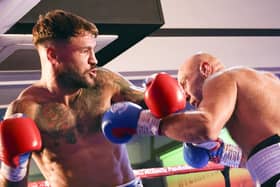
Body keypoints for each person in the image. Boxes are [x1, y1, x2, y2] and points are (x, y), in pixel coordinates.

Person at [0, 9, 147, 187]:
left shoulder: (105, 82)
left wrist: (157, 93)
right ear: (53, 55)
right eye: (85, 51)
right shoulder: (26, 109)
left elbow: (155, 108)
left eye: (93, 50)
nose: (94, 60)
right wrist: (13, 168)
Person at [158, 52, 280, 187]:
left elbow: (206, 127)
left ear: (205, 69)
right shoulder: (269, 85)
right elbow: (268, 155)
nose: (185, 96)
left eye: (184, 83)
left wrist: (151, 122)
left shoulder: (223, 78)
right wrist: (221, 152)